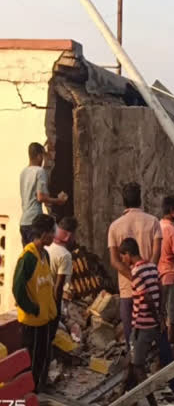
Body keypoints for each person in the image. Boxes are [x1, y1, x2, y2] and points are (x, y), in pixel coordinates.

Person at [108, 182, 162, 351]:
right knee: (154, 334)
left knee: (131, 338)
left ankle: (136, 370)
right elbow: (156, 253)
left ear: (124, 201)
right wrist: (146, 277)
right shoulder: (153, 222)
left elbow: (114, 261)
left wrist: (135, 278)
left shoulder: (115, 226)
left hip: (127, 290)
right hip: (151, 290)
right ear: (140, 199)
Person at [13, 214, 57, 391]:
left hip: (45, 318)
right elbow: (17, 289)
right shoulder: (28, 258)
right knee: (31, 358)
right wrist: (32, 308)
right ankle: (28, 393)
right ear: (44, 233)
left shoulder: (44, 254)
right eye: (52, 232)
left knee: (43, 356)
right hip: (33, 320)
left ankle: (38, 389)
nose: (54, 236)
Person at [118, 237, 162, 399]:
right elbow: (160, 289)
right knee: (130, 362)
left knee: (137, 366)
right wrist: (160, 314)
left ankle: (151, 401)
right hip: (148, 323)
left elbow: (147, 297)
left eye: (123, 256)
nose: (123, 260)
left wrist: (157, 317)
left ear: (128, 254)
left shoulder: (136, 272)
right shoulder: (152, 266)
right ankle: (121, 397)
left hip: (142, 324)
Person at [19, 143, 67, 245]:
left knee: (28, 255)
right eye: (43, 156)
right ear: (39, 156)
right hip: (34, 222)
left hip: (23, 222)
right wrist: (57, 201)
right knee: (37, 255)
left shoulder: (23, 172)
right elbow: (40, 197)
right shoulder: (39, 171)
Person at [157, 196, 174, 351]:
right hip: (173, 276)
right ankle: (171, 347)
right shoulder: (173, 230)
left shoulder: (158, 226)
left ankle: (162, 347)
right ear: (172, 211)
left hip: (160, 275)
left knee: (161, 312)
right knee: (173, 315)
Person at [45, 216, 77, 330]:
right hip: (52, 304)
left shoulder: (47, 247)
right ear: (69, 235)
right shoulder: (65, 255)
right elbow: (58, 287)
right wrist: (57, 312)